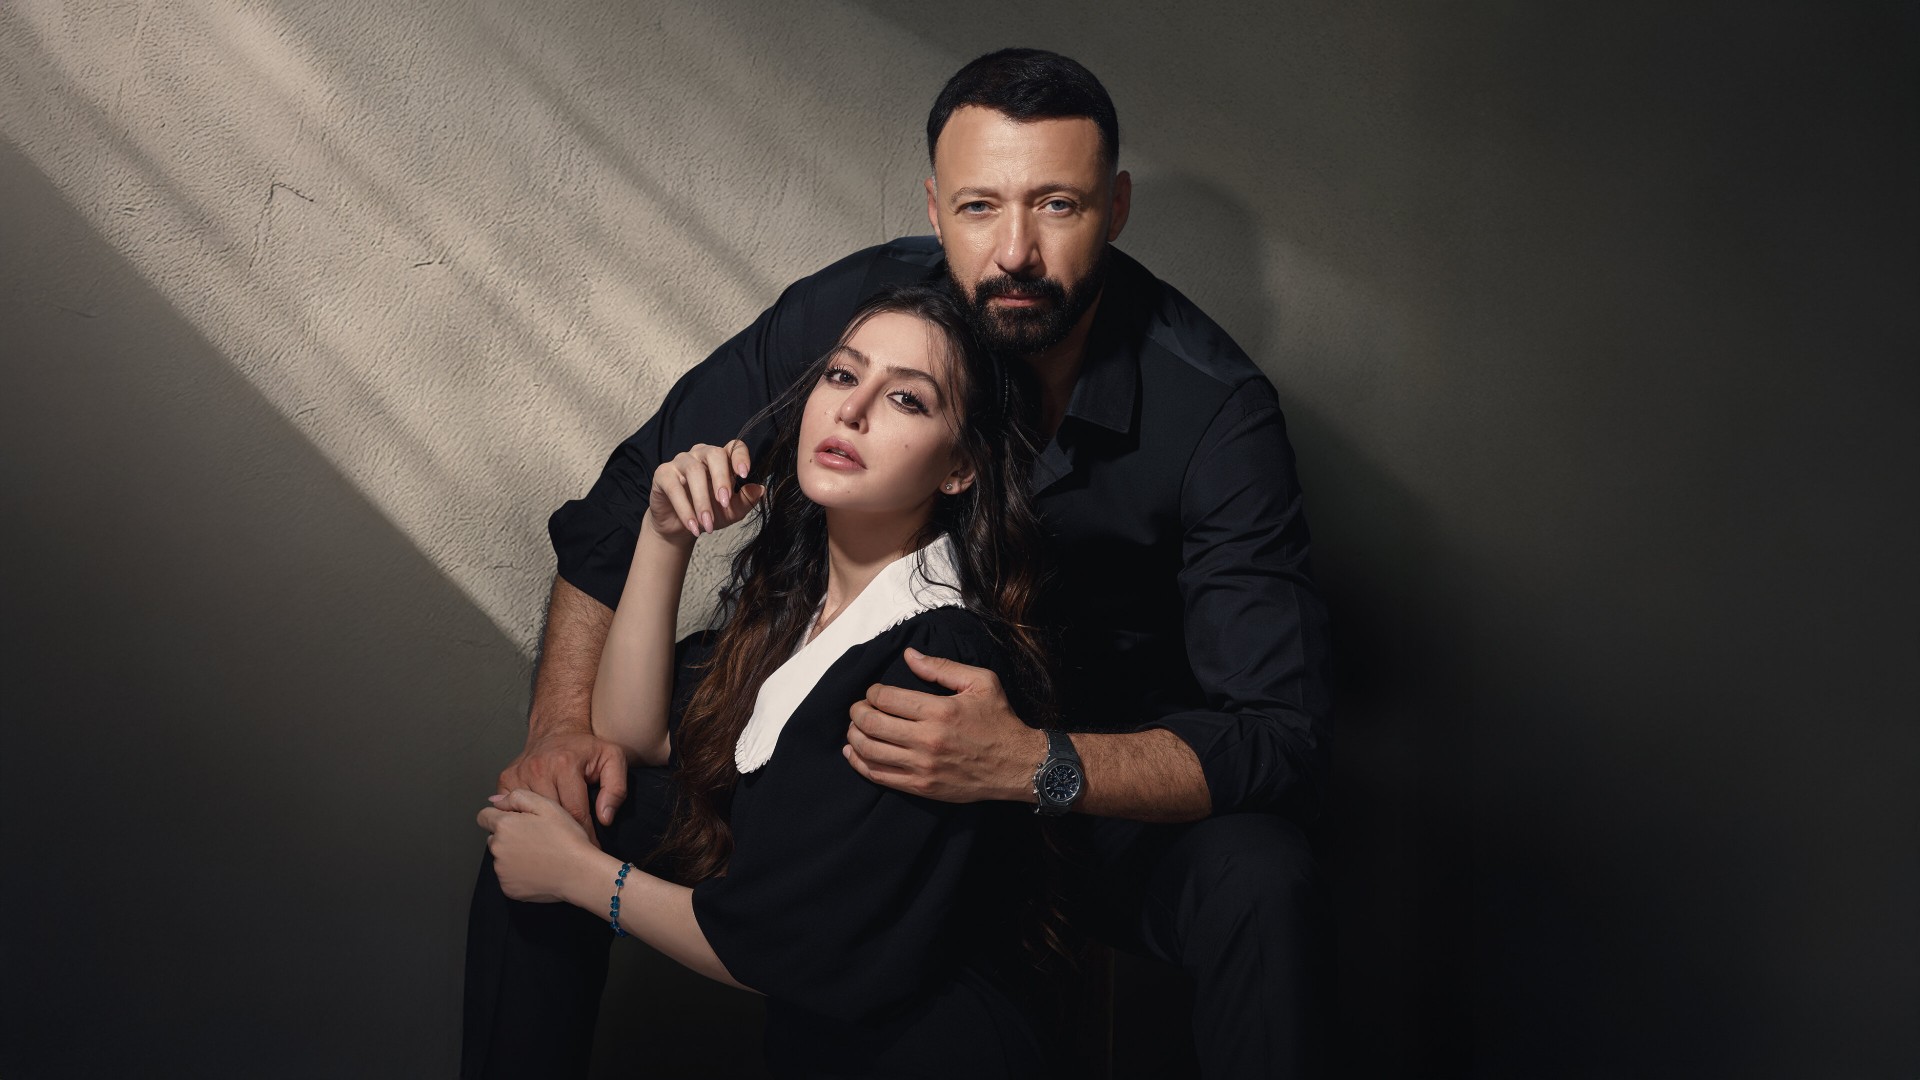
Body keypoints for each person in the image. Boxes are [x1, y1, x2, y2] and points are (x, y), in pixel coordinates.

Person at [467, 48, 1334, 1077]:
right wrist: (563, 732)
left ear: (1115, 208)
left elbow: (1274, 731)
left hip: (1086, 778)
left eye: (1057, 205)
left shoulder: (1216, 412)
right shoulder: (865, 318)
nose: (1015, 252)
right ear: (934, 208)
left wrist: (1033, 764)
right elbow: (627, 507)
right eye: (979, 207)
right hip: (851, 740)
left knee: (1258, 876)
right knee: (559, 806)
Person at [475, 284, 1054, 1076]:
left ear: (959, 469)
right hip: (825, 1036)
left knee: (554, 849)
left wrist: (581, 876)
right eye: (843, 375)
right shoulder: (808, 607)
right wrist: (666, 535)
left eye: (907, 399)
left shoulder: (932, 655)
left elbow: (796, 948)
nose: (852, 411)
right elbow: (629, 739)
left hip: (926, 1052)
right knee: (562, 801)